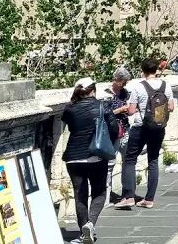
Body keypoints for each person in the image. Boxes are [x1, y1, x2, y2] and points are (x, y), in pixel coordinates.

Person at [62, 78, 116, 244]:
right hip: (96, 155)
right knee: (99, 191)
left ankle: (83, 233)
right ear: (93, 90)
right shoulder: (103, 106)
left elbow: (70, 126)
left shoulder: (69, 108)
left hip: (73, 157)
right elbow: (114, 129)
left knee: (80, 194)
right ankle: (90, 223)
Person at [116, 57, 175, 209]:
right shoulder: (165, 85)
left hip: (140, 127)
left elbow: (130, 111)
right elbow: (171, 107)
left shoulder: (138, 87)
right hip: (158, 127)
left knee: (130, 159)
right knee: (153, 160)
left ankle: (129, 196)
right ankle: (149, 199)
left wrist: (133, 108)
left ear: (142, 71)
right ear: (156, 69)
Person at [103, 67, 132, 203]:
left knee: (128, 161)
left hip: (125, 129)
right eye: (123, 82)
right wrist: (121, 109)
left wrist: (129, 109)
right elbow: (105, 114)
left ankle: (127, 194)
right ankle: (106, 195)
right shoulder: (106, 93)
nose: (125, 84)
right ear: (116, 79)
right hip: (112, 132)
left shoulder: (125, 93)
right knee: (110, 163)